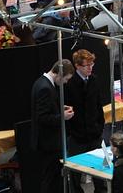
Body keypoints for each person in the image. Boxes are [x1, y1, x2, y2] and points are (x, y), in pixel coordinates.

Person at [30, 59, 75, 193]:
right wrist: (63, 116)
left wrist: (60, 108)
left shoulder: (41, 82)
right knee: (50, 179)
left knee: (52, 178)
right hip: (48, 143)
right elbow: (42, 118)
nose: (66, 82)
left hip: (46, 141)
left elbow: (46, 109)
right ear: (59, 75)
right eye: (66, 79)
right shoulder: (45, 88)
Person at [64, 50, 106, 193]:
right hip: (77, 136)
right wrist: (73, 132)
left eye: (91, 64)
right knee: (75, 174)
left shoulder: (94, 80)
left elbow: (98, 105)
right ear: (77, 66)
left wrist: (100, 126)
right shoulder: (69, 83)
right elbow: (67, 109)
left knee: (100, 172)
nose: (90, 67)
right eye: (86, 65)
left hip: (94, 133)